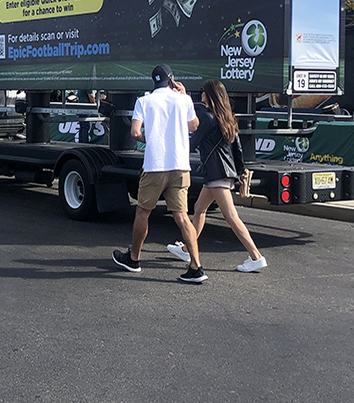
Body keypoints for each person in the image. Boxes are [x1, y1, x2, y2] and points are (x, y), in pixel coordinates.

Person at [113, 64, 206, 283]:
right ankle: (196, 266)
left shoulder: (144, 101)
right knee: (182, 216)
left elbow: (135, 132)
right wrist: (184, 95)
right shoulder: (183, 100)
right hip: (180, 165)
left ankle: (134, 259)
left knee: (143, 212)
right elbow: (194, 126)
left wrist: (149, 138)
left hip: (155, 165)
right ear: (171, 79)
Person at [167, 79, 266, 272]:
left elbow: (193, 142)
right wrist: (240, 171)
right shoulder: (227, 116)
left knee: (231, 217)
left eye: (203, 91)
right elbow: (237, 148)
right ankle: (187, 249)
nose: (201, 94)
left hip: (216, 173)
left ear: (208, 95)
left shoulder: (208, 117)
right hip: (221, 172)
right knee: (199, 209)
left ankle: (256, 256)